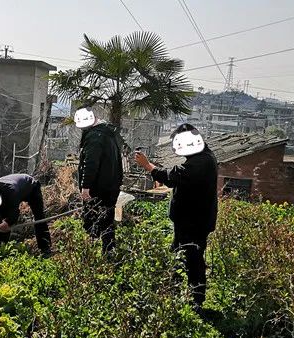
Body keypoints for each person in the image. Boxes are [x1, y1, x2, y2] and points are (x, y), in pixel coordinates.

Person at [134, 123, 218, 308]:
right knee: (181, 255)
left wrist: (148, 166)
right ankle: (177, 291)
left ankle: (195, 300)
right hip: (192, 220)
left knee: (192, 259)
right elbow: (178, 177)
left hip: (193, 221)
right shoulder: (203, 156)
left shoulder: (201, 162)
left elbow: (174, 176)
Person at [75, 107, 124, 254]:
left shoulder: (94, 137)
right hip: (111, 187)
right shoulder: (109, 134)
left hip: (97, 189)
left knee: (92, 220)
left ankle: (91, 254)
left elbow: (91, 163)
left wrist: (85, 187)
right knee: (107, 220)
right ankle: (108, 252)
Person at [0, 174, 51, 255]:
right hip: (17, 188)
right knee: (2, 217)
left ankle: (45, 248)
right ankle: (0, 248)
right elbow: (2, 217)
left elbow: (12, 219)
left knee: (39, 217)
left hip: (31, 187)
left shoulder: (11, 191)